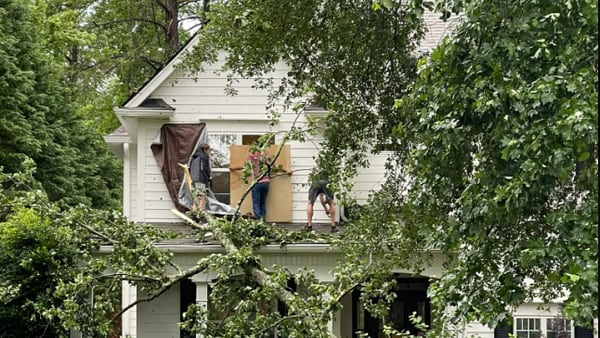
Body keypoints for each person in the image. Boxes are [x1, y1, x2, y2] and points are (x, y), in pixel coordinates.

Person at [189, 143, 211, 211]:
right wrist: (209, 177)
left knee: (197, 198)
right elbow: (205, 169)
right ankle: (201, 215)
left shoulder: (194, 158)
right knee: (202, 198)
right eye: (209, 150)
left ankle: (194, 214)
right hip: (201, 179)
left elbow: (190, 169)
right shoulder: (204, 157)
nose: (209, 152)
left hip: (194, 180)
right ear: (205, 150)